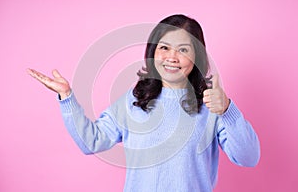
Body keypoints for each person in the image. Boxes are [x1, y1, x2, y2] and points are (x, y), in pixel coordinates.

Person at [27, 14, 260, 192]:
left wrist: (228, 109)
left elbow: (249, 158)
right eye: (164, 48)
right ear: (152, 52)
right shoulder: (134, 100)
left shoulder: (212, 103)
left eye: (183, 50)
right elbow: (92, 142)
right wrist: (67, 97)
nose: (172, 57)